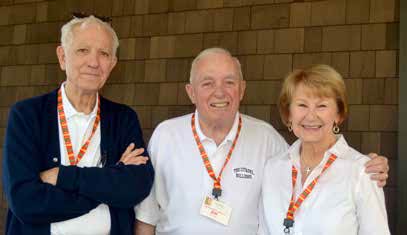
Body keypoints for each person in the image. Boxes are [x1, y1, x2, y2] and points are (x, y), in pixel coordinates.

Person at [134, 48, 389, 235]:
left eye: (229, 82)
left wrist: (370, 166)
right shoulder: (166, 135)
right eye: (207, 83)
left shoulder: (268, 141)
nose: (219, 92)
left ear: (242, 90)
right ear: (191, 92)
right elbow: (147, 216)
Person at [2, 15, 154, 235]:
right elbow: (25, 201)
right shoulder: (27, 115)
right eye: (83, 50)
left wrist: (64, 177)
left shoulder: (123, 118)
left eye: (104, 53)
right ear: (62, 57)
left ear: (112, 64)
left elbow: (137, 185)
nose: (94, 62)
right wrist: (107, 186)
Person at [259, 64, 390, 234]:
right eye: (302, 105)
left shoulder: (361, 171)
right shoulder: (273, 168)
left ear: (338, 114)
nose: (311, 116)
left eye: (321, 106)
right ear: (288, 114)